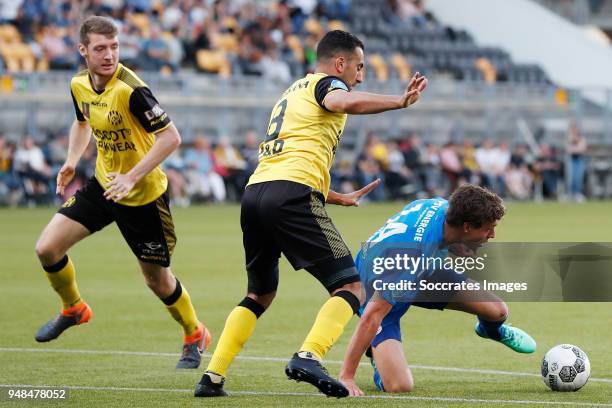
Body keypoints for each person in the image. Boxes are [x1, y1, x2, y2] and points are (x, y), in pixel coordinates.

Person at [194, 29, 428, 398]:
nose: (360, 76)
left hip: (256, 194)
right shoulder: (328, 86)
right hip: (291, 196)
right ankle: (309, 356)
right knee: (351, 286)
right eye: (359, 66)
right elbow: (341, 103)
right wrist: (398, 101)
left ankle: (212, 377)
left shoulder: (293, 91)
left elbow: (288, 160)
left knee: (259, 294)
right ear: (340, 63)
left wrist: (334, 195)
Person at [33, 16, 211, 369]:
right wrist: (71, 160)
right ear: (83, 50)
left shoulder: (131, 90)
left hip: (143, 195)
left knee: (157, 280)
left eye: (114, 47)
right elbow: (82, 121)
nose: (110, 55)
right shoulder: (79, 85)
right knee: (47, 248)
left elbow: (170, 138)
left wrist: (131, 177)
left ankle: (194, 334)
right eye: (100, 48)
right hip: (104, 185)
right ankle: (74, 309)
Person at [339, 185, 536, 395]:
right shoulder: (408, 258)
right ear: (467, 226)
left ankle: (490, 331)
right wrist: (347, 377)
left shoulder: (444, 208)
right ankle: (376, 355)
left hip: (423, 272)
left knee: (498, 310)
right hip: (379, 286)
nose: (493, 234)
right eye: (488, 228)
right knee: (399, 386)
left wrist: (454, 246)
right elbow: (371, 316)